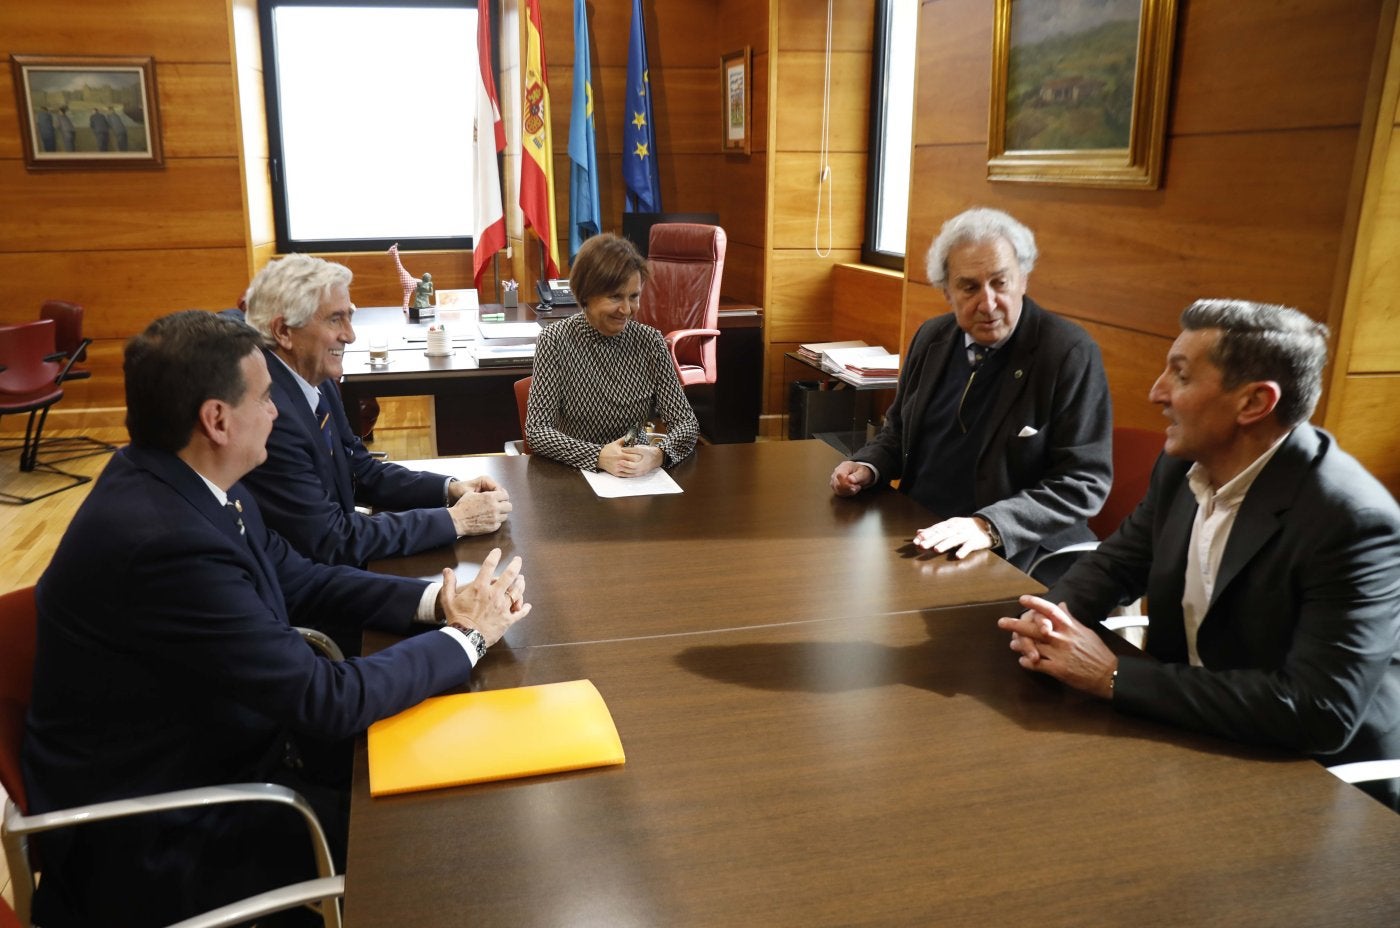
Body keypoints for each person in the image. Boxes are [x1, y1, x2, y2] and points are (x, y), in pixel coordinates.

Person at [24, 310, 532, 926]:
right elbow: (325, 699)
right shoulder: (165, 543)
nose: (277, 412)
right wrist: (467, 638)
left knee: (458, 778)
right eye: (265, 398)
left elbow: (299, 577)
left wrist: (436, 604)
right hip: (172, 833)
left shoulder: (196, 479)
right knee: (449, 839)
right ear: (216, 420)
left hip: (231, 749)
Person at [998, 299, 1400, 811]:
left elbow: (1318, 711)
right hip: (1187, 730)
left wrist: (1112, 676)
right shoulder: (1184, 465)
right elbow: (1117, 562)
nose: (1156, 392)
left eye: (1181, 376)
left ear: (1254, 402)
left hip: (1316, 779)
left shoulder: (1352, 520)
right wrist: (1051, 619)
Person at [830, 207, 1111, 577]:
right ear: (947, 291)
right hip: (921, 531)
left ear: (1023, 279)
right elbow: (898, 431)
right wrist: (868, 466)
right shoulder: (932, 337)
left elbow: (1083, 482)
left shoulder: (1067, 353)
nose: (988, 303)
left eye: (1000, 283)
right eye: (969, 287)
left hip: (1015, 552)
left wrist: (988, 526)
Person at [239, 254, 512, 570]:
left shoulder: (315, 378)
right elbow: (331, 539)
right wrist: (455, 520)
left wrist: (449, 489)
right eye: (335, 319)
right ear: (284, 331)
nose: (350, 335)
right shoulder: (271, 415)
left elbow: (360, 470)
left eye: (349, 317)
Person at [526, 232, 699, 476]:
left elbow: (686, 424)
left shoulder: (650, 341)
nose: (627, 309)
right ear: (586, 294)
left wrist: (659, 454)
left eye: (634, 296)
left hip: (635, 471)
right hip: (575, 473)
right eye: (615, 296)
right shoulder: (555, 340)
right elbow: (537, 431)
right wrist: (597, 455)